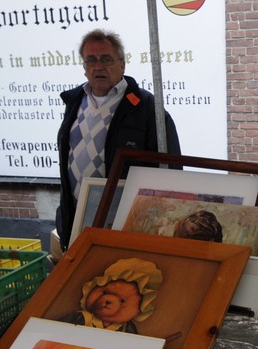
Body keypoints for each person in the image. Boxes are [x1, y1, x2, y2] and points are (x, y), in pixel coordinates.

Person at [56, 29, 182, 247]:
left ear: (122, 65)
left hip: (126, 223)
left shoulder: (147, 107)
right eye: (91, 60)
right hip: (78, 221)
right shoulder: (74, 101)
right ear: (84, 67)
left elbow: (171, 169)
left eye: (106, 59)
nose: (98, 66)